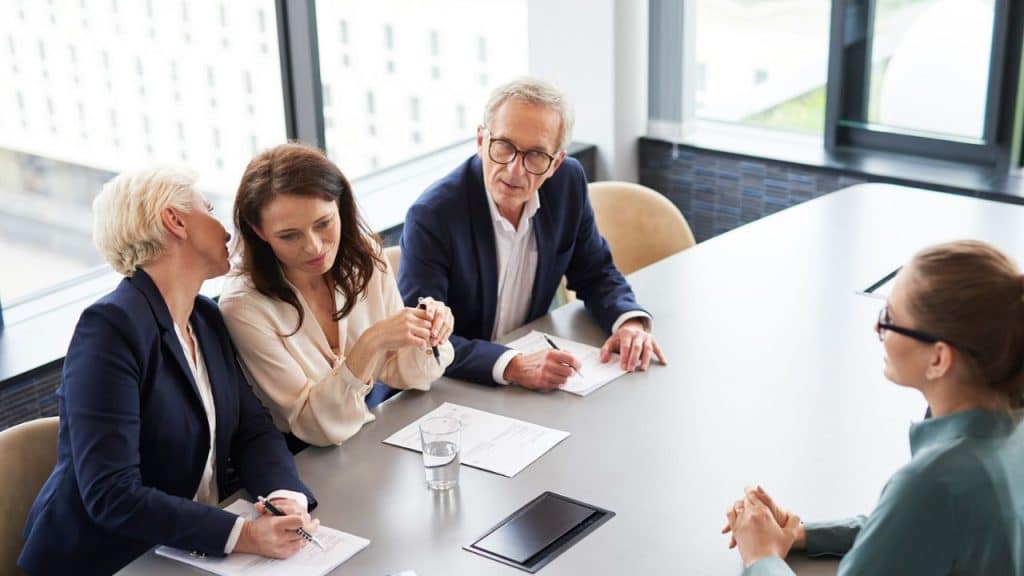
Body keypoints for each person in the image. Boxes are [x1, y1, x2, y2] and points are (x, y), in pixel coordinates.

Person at [19, 168, 319, 576]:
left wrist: (285, 497)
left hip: (186, 552)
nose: (225, 228)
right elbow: (112, 494)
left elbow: (253, 430)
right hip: (115, 561)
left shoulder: (206, 318)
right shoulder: (109, 328)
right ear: (174, 221)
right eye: (209, 210)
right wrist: (245, 534)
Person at [723, 240, 1024, 575]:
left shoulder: (935, 482)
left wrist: (761, 556)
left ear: (938, 358)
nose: (877, 328)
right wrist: (802, 534)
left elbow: (925, 510)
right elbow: (918, 530)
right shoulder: (1011, 428)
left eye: (889, 318)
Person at [399, 77, 666, 390]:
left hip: (529, 384)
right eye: (504, 147)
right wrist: (513, 365)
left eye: (536, 155)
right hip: (452, 385)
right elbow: (423, 341)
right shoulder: (433, 216)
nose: (515, 170)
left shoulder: (567, 184)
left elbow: (595, 272)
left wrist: (629, 322)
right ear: (481, 140)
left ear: (556, 163)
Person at [219, 143, 454, 449]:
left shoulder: (365, 259)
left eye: (323, 223)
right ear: (259, 230)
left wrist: (425, 333)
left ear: (340, 206)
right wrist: (371, 342)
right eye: (289, 235)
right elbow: (313, 426)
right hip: (299, 460)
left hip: (366, 442)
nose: (314, 247)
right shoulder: (243, 306)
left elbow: (403, 373)